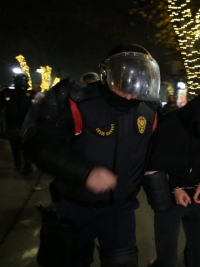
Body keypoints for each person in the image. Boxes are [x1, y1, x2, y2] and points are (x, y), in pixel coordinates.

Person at [22, 44, 160, 267]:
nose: (130, 93)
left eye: (138, 83)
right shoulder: (74, 100)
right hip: (73, 208)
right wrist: (85, 173)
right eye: (123, 83)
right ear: (108, 75)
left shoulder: (149, 111)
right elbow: (35, 144)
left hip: (120, 211)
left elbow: (165, 149)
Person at [145, 84, 200, 267]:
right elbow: (152, 165)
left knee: (198, 256)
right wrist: (174, 189)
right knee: (167, 259)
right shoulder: (169, 125)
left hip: (198, 199)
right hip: (169, 199)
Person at [0, 73, 36, 174]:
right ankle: (23, 165)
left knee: (19, 146)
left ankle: (21, 164)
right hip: (17, 124)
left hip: (19, 124)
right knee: (23, 145)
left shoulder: (31, 94)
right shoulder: (7, 93)